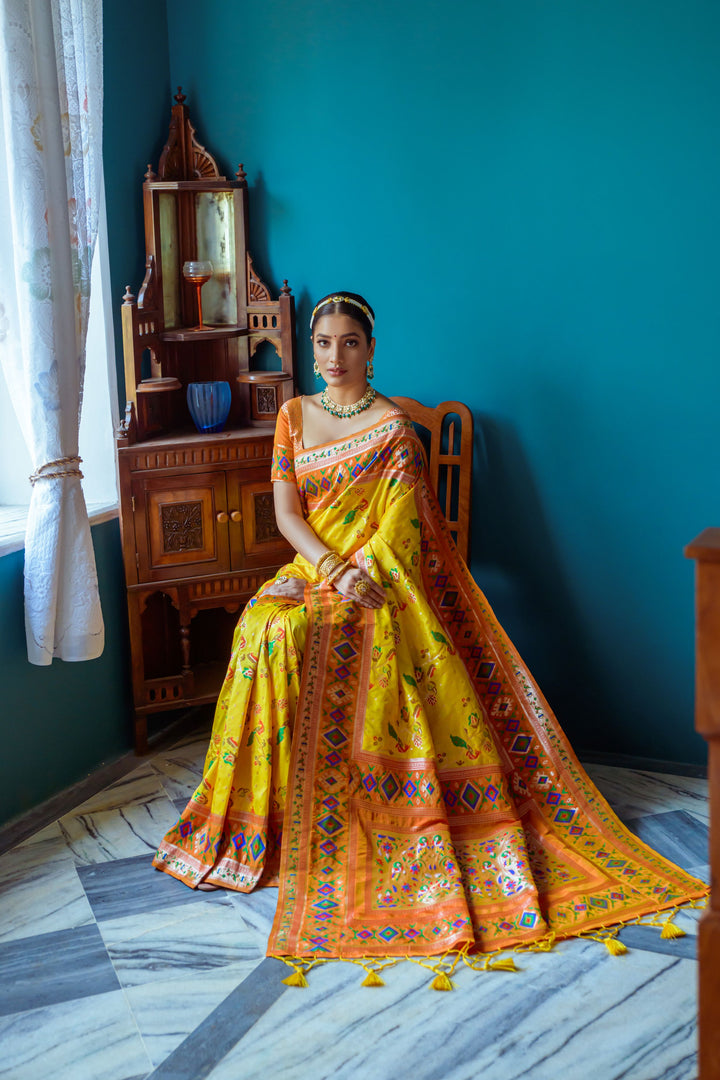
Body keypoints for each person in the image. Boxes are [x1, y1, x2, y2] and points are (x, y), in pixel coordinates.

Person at [154, 291, 705, 973]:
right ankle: (273, 818)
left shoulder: (393, 433)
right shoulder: (294, 416)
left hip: (380, 579)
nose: (333, 357)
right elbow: (287, 513)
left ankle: (356, 809)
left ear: (372, 349)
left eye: (348, 343)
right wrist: (324, 569)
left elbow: (401, 534)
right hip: (314, 566)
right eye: (322, 343)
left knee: (332, 631)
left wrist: (353, 577)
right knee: (263, 628)